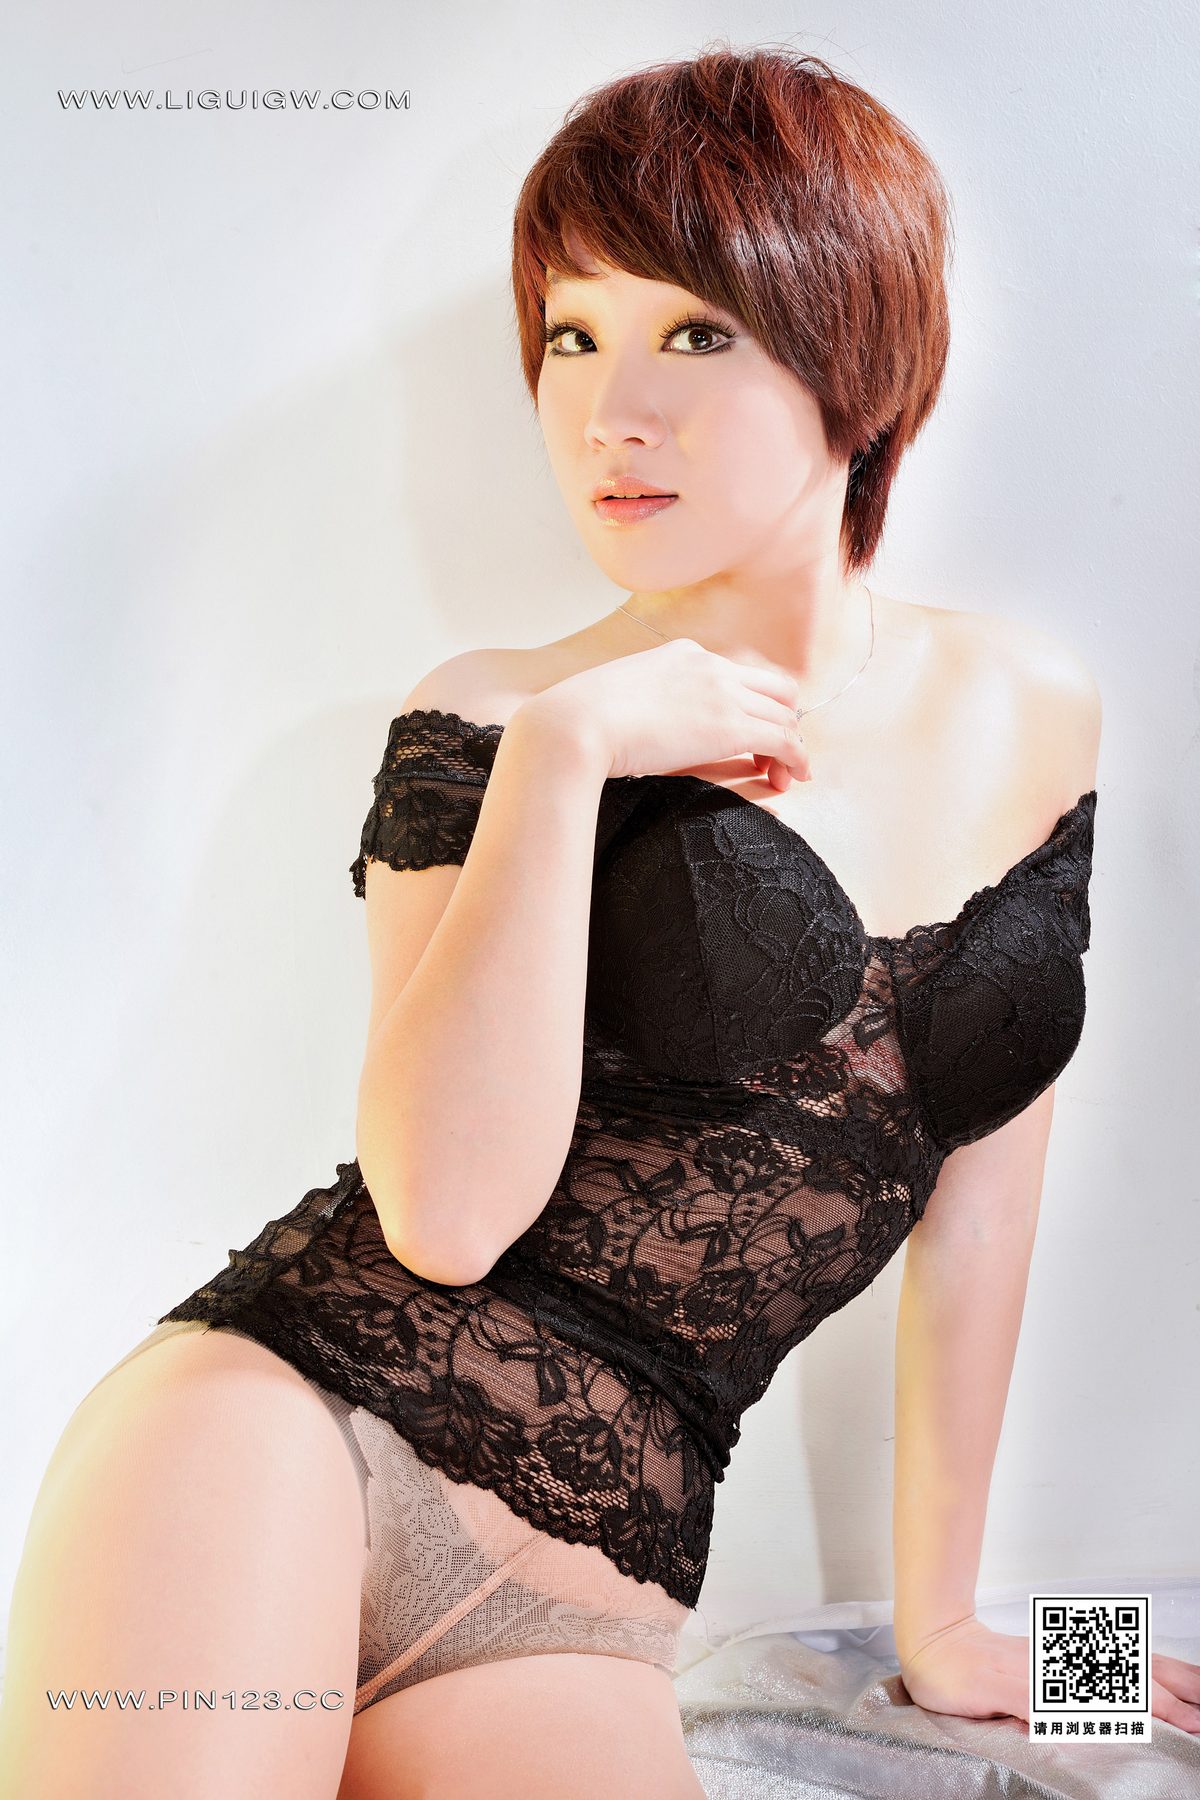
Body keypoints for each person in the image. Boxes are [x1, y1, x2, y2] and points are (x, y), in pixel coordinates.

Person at [5, 40, 1198, 1800]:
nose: (608, 411)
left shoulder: (1035, 705)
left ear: (861, 355)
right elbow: (443, 1216)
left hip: (587, 1604)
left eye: (693, 334)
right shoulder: (497, 714)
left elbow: (983, 1209)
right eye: (572, 337)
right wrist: (567, 759)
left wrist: (961, 1632)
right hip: (281, 1433)